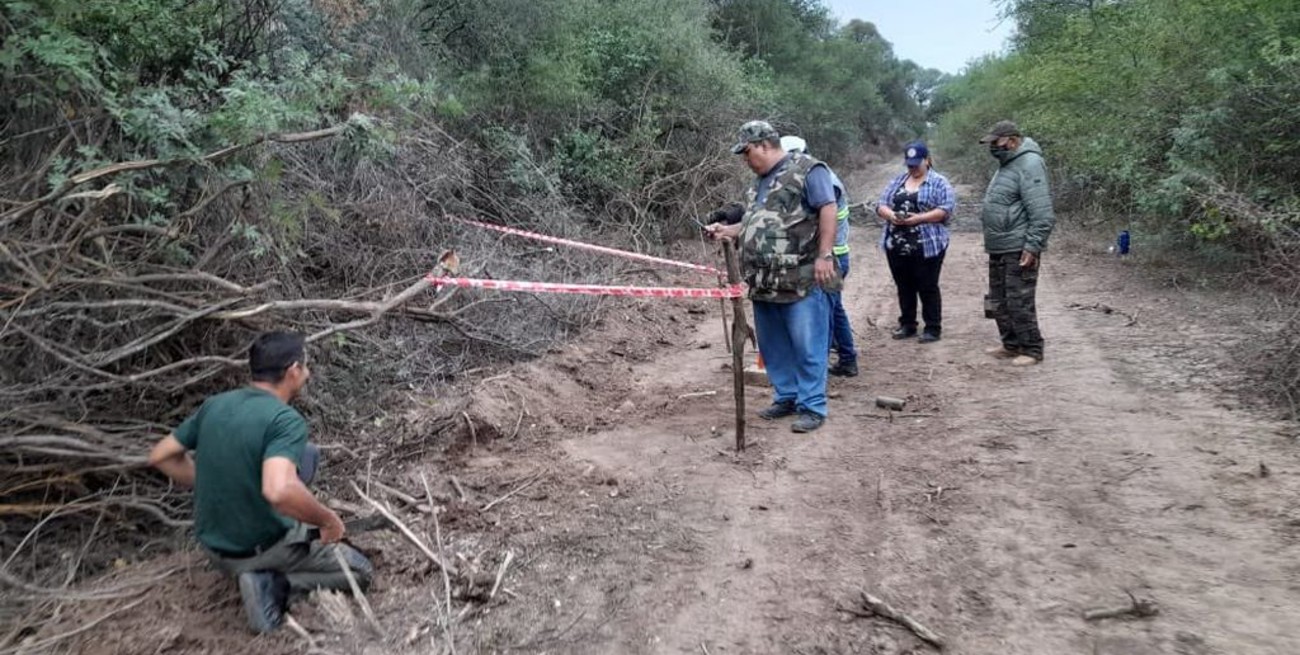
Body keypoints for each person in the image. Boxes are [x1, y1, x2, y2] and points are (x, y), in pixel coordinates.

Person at [148, 331, 372, 633]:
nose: (307, 373)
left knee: (305, 456)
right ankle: (273, 583)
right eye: (305, 366)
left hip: (215, 550)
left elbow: (161, 455)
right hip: (258, 549)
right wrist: (328, 520)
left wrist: (216, 481)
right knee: (360, 570)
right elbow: (278, 490)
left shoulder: (215, 405)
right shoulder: (284, 419)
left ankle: (258, 568)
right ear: (293, 371)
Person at [705, 121, 840, 433]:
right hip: (764, 281)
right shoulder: (758, 183)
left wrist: (825, 255)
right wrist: (728, 231)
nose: (745, 159)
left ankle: (812, 406)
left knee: (808, 345)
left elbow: (828, 208)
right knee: (773, 346)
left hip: (802, 277)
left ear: (765, 144)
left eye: (748, 152)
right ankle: (787, 396)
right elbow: (756, 223)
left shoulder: (809, 169)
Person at [978, 120, 1056, 365]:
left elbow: (1042, 211)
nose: (992, 147)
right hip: (1000, 244)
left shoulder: (1030, 163)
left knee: (1019, 300)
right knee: (999, 300)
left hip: (1018, 245)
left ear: (1012, 140)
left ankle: (1032, 349)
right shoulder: (1007, 164)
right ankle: (1011, 344)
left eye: (996, 142)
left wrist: (1033, 245)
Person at [780, 135, 858, 377]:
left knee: (823, 314)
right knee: (833, 309)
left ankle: (819, 370)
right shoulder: (810, 178)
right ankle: (847, 359)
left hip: (831, 258)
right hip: (831, 256)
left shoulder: (822, 181)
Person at [875, 141, 956, 343]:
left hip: (927, 243)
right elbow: (881, 204)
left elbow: (945, 209)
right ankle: (907, 324)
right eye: (909, 165)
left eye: (916, 164)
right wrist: (891, 215)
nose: (913, 168)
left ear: (927, 161)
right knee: (904, 285)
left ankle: (932, 327)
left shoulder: (939, 182)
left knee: (928, 285)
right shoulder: (897, 181)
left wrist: (919, 218)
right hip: (897, 243)